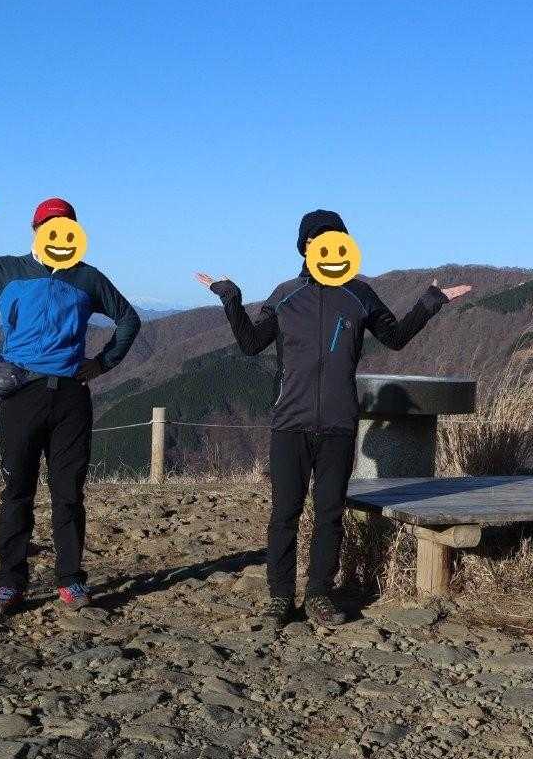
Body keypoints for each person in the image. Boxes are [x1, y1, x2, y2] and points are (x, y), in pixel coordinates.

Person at [195, 208, 470, 628]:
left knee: (329, 513)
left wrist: (430, 303)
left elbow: (395, 338)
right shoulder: (286, 294)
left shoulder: (358, 294)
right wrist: (231, 299)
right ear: (304, 247)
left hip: (339, 423)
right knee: (284, 513)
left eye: (333, 236)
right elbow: (251, 343)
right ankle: (280, 596)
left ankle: (319, 594)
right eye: (316, 238)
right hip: (290, 421)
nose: (325, 244)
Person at [0, 191, 140, 614]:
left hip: (70, 396)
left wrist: (103, 364)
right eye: (48, 226)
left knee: (68, 493)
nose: (56, 232)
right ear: (35, 230)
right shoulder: (7, 270)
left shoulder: (87, 277)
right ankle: (10, 582)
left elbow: (128, 319)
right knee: (17, 491)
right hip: (21, 394)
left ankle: (71, 580)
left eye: (64, 225)